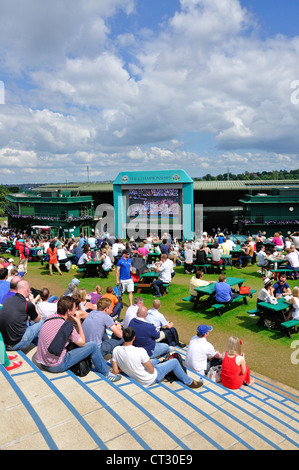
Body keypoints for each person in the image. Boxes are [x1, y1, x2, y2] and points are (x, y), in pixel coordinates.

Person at [35, 296, 121, 382]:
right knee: (93, 346)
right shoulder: (67, 326)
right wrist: (78, 322)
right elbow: (82, 343)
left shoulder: (51, 317)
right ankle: (106, 374)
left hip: (42, 361)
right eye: (74, 308)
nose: (76, 310)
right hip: (55, 365)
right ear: (69, 311)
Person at [112, 327, 203, 389]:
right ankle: (189, 382)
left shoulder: (116, 350)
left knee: (155, 360)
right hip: (148, 379)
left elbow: (115, 371)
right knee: (175, 361)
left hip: (138, 375)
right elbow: (151, 371)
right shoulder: (140, 351)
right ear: (134, 338)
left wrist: (126, 367)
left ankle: (164, 363)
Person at [0, 280, 43, 350]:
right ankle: (38, 346)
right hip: (14, 344)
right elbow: (38, 319)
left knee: (29, 320)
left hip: (3, 341)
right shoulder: (28, 305)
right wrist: (33, 302)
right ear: (28, 290)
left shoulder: (9, 299)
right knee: (42, 321)